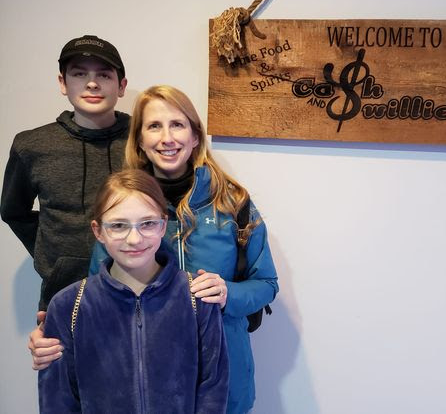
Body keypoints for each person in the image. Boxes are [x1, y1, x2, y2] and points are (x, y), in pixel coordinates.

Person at [32, 85, 279, 414]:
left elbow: (266, 284)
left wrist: (227, 294)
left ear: (195, 136)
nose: (167, 138)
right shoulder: (120, 208)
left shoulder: (232, 203)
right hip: (141, 386)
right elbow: (95, 302)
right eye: (154, 126)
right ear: (139, 141)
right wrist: (52, 337)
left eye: (177, 124)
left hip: (225, 380)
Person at [38, 169, 229, 413]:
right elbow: (57, 399)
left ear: (163, 226)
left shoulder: (198, 298)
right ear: (98, 231)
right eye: (118, 225)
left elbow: (213, 388)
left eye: (148, 223)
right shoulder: (68, 305)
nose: (134, 239)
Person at [1, 34, 129, 322]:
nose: (92, 83)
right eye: (79, 73)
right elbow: (13, 211)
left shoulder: (143, 141)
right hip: (62, 293)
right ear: (63, 83)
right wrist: (56, 258)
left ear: (121, 86)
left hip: (136, 288)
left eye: (104, 75)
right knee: (62, 365)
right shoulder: (32, 145)